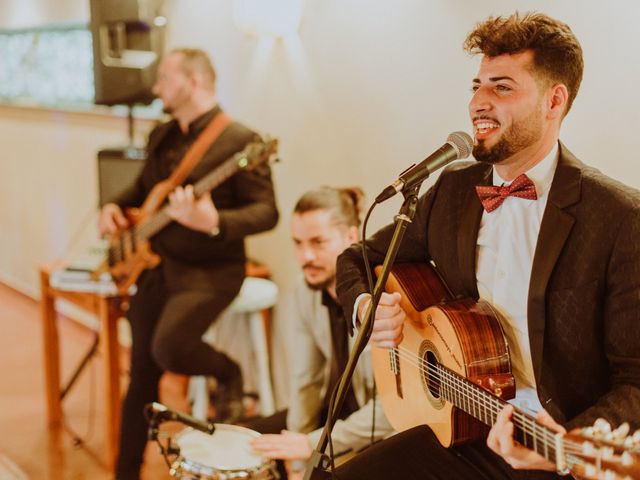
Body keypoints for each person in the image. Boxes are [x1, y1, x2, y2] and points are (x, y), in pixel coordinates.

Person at [334, 12, 640, 479]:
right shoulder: (452, 189)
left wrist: (564, 448)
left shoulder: (620, 219)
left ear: (553, 100)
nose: (478, 102)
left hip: (557, 444)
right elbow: (358, 257)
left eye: (501, 88)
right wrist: (365, 308)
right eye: (476, 86)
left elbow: (636, 381)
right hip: (465, 427)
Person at [97, 48, 279, 480]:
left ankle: (228, 372)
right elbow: (141, 191)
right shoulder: (162, 135)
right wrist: (112, 207)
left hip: (211, 272)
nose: (156, 86)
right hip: (159, 267)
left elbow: (266, 212)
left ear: (193, 81)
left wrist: (213, 222)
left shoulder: (242, 142)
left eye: (164, 77)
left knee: (169, 348)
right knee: (140, 375)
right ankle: (125, 474)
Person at [249, 187, 394, 479]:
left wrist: (309, 444)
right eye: (298, 243)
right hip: (336, 412)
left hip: (381, 426)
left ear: (351, 238)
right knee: (248, 439)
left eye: (318, 242)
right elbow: (307, 380)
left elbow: (390, 411)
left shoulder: (384, 297)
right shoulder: (306, 292)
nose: (306, 256)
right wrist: (297, 448)